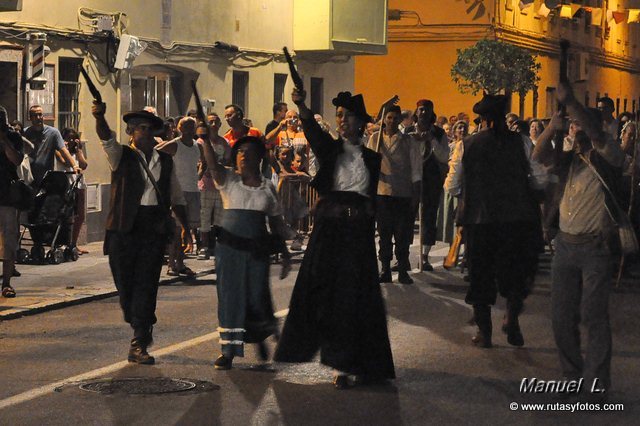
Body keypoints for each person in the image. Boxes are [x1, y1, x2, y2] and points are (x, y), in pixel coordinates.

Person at [274, 89, 395, 390]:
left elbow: (369, 199)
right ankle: (333, 358)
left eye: (347, 116)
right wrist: (302, 104)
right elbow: (314, 134)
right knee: (322, 291)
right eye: (339, 116)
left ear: (359, 123)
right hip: (330, 231)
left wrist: (370, 216)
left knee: (357, 297)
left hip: (357, 235)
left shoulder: (371, 157)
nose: (341, 121)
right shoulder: (330, 151)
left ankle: (360, 363)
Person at [533, 81, 625, 400]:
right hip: (566, 246)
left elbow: (597, 136)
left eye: (581, 125)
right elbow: (538, 154)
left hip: (596, 248)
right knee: (561, 317)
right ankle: (572, 375)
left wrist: (570, 102)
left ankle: (597, 383)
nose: (577, 131)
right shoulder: (569, 159)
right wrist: (551, 128)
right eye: (574, 126)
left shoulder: (609, 155)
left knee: (593, 315)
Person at [92, 102, 189, 365]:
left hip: (153, 227)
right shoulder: (120, 155)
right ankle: (136, 318)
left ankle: (139, 338)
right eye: (139, 128)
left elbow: (176, 196)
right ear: (131, 132)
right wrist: (100, 116)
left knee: (146, 283)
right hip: (124, 228)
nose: (145, 132)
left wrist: (185, 228)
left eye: (149, 128)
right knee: (125, 285)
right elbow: (105, 137)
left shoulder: (166, 162)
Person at [445, 94, 542, 349]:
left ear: (483, 120)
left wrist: (469, 191)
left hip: (481, 221)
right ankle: (511, 318)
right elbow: (539, 179)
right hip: (515, 220)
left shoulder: (466, 145)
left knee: (480, 276)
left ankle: (484, 332)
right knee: (515, 273)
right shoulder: (521, 142)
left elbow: (452, 185)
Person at [200, 134, 291, 370]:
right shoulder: (228, 181)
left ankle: (260, 336)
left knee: (257, 296)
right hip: (229, 250)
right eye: (240, 152)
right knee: (230, 298)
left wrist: (285, 254)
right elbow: (211, 164)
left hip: (257, 250)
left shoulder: (268, 188)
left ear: (259, 158)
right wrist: (204, 139)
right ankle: (228, 351)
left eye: (249, 153)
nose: (244, 156)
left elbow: (277, 224)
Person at [367, 105, 421, 284]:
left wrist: (415, 194)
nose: (391, 121)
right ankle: (385, 268)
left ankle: (403, 268)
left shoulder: (408, 141)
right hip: (382, 193)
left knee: (402, 234)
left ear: (399, 120)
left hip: (402, 193)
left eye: (394, 118)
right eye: (388, 117)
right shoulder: (375, 140)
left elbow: (416, 170)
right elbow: (368, 165)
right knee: (384, 234)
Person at [157, 116, 203, 276]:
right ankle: (171, 264)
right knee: (177, 230)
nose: (190, 130)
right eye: (186, 126)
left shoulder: (198, 146)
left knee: (187, 229)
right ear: (179, 128)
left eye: (192, 126)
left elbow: (203, 162)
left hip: (193, 190)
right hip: (178, 192)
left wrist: (197, 175)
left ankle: (181, 262)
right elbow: (156, 153)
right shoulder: (175, 144)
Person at [412, 99, 449, 271]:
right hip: (411, 179)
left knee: (428, 217)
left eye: (427, 110)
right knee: (406, 217)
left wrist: (432, 140)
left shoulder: (440, 134)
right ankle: (402, 256)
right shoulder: (408, 132)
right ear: (416, 112)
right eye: (421, 110)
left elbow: (443, 156)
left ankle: (424, 256)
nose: (424, 113)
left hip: (431, 179)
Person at [197, 115, 231, 261]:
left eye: (215, 121)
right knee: (204, 217)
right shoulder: (200, 142)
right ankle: (204, 247)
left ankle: (217, 245)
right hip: (205, 184)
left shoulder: (224, 142)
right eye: (210, 121)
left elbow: (229, 160)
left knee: (219, 218)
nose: (213, 124)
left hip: (220, 185)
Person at [0, 106, 25, 298]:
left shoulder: (13, 137)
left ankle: (6, 283)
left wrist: (3, 140)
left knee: (9, 240)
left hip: (7, 195)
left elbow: (16, 160)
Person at [24, 105, 79, 187]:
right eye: (35, 115)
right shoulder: (25, 133)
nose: (38, 117)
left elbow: (63, 150)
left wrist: (74, 166)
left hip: (47, 178)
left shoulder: (53, 133)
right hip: (29, 177)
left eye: (40, 115)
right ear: (30, 118)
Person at [56, 128, 89, 254]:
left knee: (80, 216)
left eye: (72, 139)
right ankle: (65, 243)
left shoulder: (77, 151)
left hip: (79, 184)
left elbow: (84, 165)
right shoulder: (59, 150)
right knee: (67, 216)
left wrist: (79, 150)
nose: (70, 141)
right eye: (67, 138)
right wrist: (64, 148)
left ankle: (74, 244)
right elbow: (64, 162)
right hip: (66, 185)